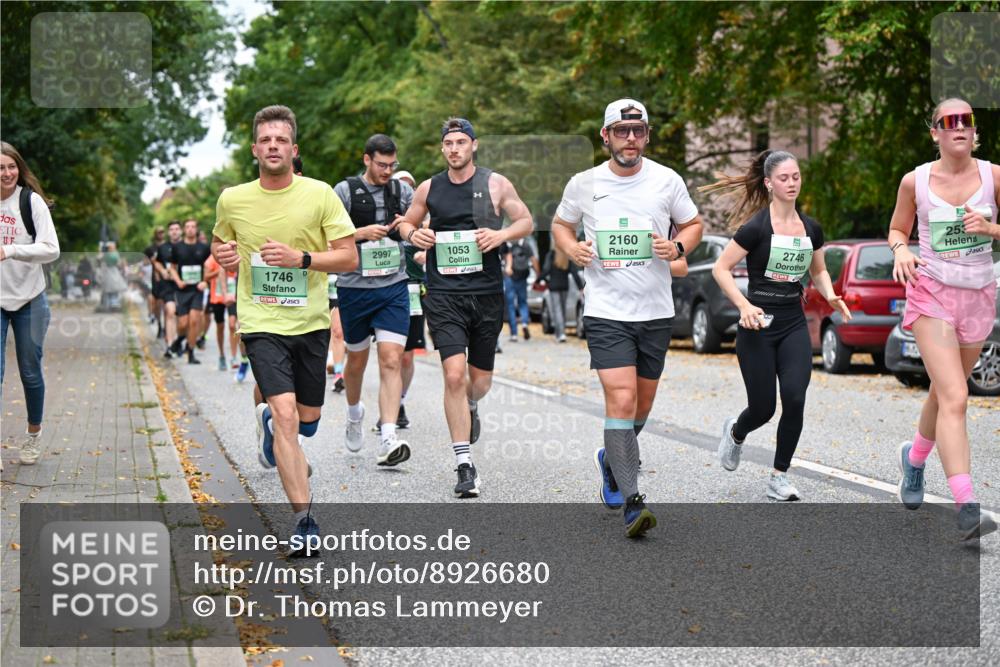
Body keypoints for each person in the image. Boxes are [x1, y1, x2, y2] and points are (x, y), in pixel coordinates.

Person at [552, 99, 704, 537]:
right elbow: (561, 225)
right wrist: (570, 246)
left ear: (647, 135)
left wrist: (677, 247)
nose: (630, 138)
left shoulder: (666, 180)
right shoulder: (584, 183)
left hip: (655, 312)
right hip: (606, 310)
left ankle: (611, 458)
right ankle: (633, 503)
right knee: (619, 401)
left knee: (640, 408)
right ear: (606, 136)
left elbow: (692, 225)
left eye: (638, 130)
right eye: (622, 131)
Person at [212, 105, 357, 556]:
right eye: (265, 140)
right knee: (289, 417)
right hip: (260, 322)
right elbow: (221, 243)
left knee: (307, 421)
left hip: (310, 323)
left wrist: (303, 259)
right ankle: (304, 522)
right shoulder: (232, 198)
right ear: (255, 149)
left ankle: (271, 426)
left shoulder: (319, 195)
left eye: (281, 140)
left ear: (294, 150)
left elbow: (349, 257)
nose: (273, 146)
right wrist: (225, 256)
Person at [394, 118, 533, 498]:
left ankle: (471, 404)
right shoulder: (429, 188)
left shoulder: (495, 183)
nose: (454, 149)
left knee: (479, 382)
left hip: (487, 294)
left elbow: (525, 220)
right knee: (453, 375)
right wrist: (414, 234)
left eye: (461, 142)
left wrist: (501, 234)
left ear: (474, 145)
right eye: (448, 143)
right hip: (444, 295)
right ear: (442, 149)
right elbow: (405, 224)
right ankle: (464, 463)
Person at [706, 150, 849, 502]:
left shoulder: (810, 228)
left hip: (792, 323)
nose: (791, 183)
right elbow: (720, 269)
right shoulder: (756, 227)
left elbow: (817, 270)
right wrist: (743, 305)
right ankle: (736, 433)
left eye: (796, 177)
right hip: (757, 326)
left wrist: (830, 295)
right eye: (784, 178)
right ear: (769, 183)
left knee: (796, 398)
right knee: (763, 408)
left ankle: (779, 475)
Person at [888, 98, 999, 540]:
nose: (959, 128)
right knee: (955, 396)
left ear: (974, 131)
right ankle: (967, 506)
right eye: (948, 122)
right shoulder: (914, 181)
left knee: (941, 391)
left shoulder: (993, 177)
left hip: (978, 297)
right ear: (934, 132)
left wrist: (991, 231)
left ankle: (914, 461)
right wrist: (900, 251)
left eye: (966, 121)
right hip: (931, 292)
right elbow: (898, 229)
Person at [332, 134, 413, 466]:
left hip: (393, 286)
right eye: (382, 165)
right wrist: (360, 234)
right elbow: (324, 235)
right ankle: (354, 414)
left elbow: (420, 219)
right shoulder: (345, 192)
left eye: (392, 165)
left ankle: (389, 435)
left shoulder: (402, 191)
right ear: (367, 160)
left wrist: (408, 227)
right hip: (354, 289)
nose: (387, 171)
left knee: (392, 359)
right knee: (356, 363)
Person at [0, 141, 61, 467]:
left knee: (30, 372)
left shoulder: (30, 201)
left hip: (30, 299)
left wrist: (10, 251)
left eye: (11, 167)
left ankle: (33, 436)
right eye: (0, 168)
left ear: (19, 169)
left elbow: (51, 249)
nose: (7, 173)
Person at [395, 169, 423, 429]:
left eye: (410, 187)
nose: (407, 191)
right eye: (401, 186)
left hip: (414, 292)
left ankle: (400, 401)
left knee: (407, 356)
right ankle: (391, 406)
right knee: (390, 354)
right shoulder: (386, 218)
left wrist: (428, 256)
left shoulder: (424, 221)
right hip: (388, 291)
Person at [168, 219, 211, 364]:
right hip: (182, 290)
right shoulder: (177, 247)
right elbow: (172, 268)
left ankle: (190, 352)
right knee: (182, 324)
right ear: (184, 230)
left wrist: (205, 281)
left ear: (196, 229)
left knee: (194, 321)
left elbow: (208, 267)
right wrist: (178, 281)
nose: (191, 229)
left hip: (197, 290)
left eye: (193, 226)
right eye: (188, 227)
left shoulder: (204, 247)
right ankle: (178, 340)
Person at [538, 246, 584, 342]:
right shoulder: (566, 256)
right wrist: (580, 287)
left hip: (553, 287)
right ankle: (560, 333)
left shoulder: (551, 255)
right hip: (564, 286)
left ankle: (560, 333)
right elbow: (574, 272)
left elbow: (546, 269)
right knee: (562, 310)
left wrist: (540, 279)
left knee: (557, 310)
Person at [504, 237, 541, 341]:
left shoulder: (508, 242)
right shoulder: (525, 244)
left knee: (510, 305)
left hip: (510, 276)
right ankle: (524, 323)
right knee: (523, 303)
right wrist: (539, 275)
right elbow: (533, 260)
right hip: (522, 277)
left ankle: (514, 334)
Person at [154, 220, 182, 356]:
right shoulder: (163, 247)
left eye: (177, 229)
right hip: (168, 285)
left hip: (184, 286)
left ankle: (179, 341)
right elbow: (157, 262)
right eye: (172, 229)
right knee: (170, 311)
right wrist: (163, 271)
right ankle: (170, 346)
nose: (174, 231)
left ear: (180, 231)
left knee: (181, 316)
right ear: (168, 232)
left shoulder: (187, 246)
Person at [204, 252, 231, 370]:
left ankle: (237, 355)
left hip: (233, 295)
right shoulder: (215, 255)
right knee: (220, 326)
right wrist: (220, 271)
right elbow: (206, 276)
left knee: (233, 324)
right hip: (217, 297)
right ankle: (221, 355)